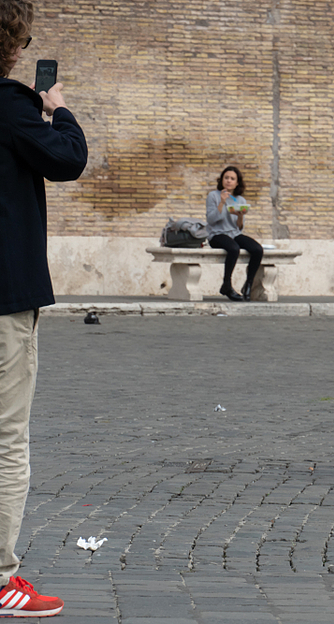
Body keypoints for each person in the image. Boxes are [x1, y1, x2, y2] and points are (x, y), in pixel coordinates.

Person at [0, 0, 87, 616]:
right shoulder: (11, 104)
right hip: (4, 295)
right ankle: (2, 578)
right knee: (6, 440)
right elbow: (68, 160)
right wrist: (57, 108)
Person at [205, 166, 263, 301]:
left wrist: (240, 216)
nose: (229, 181)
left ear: (237, 183)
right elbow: (212, 220)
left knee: (257, 249)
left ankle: (248, 285)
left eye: (232, 179)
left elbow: (239, 228)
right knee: (233, 248)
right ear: (222, 180)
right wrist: (222, 202)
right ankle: (227, 284)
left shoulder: (240, 200)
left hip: (234, 234)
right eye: (226, 178)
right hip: (216, 234)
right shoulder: (213, 196)